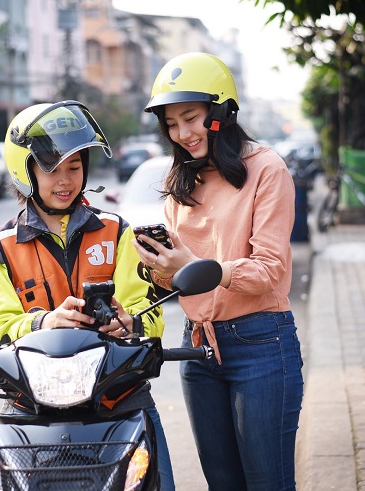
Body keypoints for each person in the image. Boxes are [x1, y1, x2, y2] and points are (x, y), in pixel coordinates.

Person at [0, 100, 177, 490]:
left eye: (74, 166)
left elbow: (149, 315)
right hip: (31, 405)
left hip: (118, 398)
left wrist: (128, 322)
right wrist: (44, 322)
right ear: (25, 170)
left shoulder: (117, 233)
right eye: (51, 168)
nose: (65, 180)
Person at [133, 52, 304, 491]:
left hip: (261, 346)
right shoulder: (181, 180)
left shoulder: (267, 169)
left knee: (267, 483)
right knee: (222, 484)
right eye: (171, 124)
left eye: (190, 117)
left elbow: (269, 269)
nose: (182, 133)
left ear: (220, 111)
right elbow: (178, 279)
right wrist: (156, 271)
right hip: (197, 349)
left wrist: (197, 267)